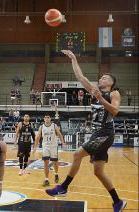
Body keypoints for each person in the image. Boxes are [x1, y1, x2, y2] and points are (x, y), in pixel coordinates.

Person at [45, 50, 126, 212]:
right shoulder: (95, 91)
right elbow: (80, 77)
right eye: (101, 77)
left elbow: (115, 111)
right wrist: (74, 59)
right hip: (99, 133)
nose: (101, 78)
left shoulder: (113, 93)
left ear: (111, 82)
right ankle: (118, 201)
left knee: (77, 154)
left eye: (105, 77)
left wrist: (101, 98)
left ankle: (63, 187)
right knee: (98, 171)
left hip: (105, 132)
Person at [33, 113, 64, 186]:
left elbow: (59, 134)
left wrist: (63, 142)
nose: (47, 118)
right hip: (45, 146)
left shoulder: (54, 125)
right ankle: (46, 179)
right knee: (46, 162)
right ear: (44, 119)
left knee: (55, 162)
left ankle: (56, 174)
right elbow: (37, 137)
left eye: (48, 117)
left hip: (53, 146)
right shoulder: (41, 127)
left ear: (50, 119)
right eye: (45, 117)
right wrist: (35, 147)